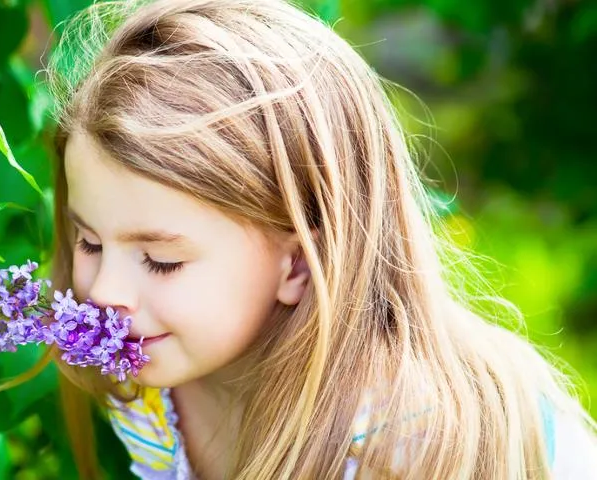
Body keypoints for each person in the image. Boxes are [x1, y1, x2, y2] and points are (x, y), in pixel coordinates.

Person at [40, 0, 597, 478]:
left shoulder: (404, 447)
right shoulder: (150, 390)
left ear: (298, 265)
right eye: (89, 243)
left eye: (160, 261)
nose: (105, 292)